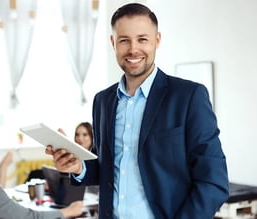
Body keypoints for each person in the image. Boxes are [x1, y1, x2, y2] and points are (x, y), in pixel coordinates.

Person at [46, 3, 229, 219]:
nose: (133, 49)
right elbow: (107, 168)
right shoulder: (102, 101)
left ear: (157, 40)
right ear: (113, 42)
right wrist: (79, 167)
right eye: (124, 40)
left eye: (142, 39)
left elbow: (214, 181)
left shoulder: (189, 97)